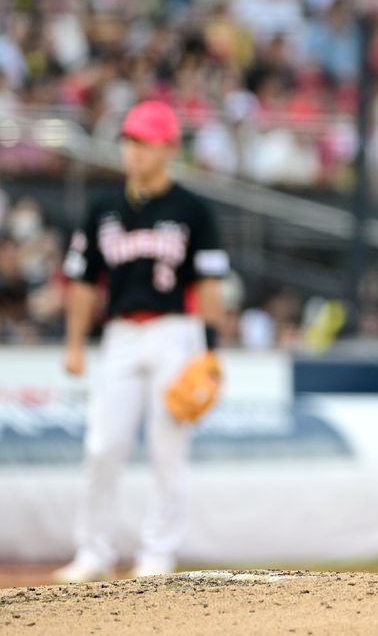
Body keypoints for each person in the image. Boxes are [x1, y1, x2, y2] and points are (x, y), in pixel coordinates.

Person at [54, 100, 229, 582]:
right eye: (129, 141)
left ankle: (158, 554)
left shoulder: (193, 209)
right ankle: (93, 551)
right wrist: (73, 345)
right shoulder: (102, 208)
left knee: (166, 449)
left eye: (145, 142)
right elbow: (84, 281)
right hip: (121, 334)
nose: (134, 151)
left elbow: (208, 285)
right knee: (103, 445)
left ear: (170, 147)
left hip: (176, 332)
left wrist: (210, 350)